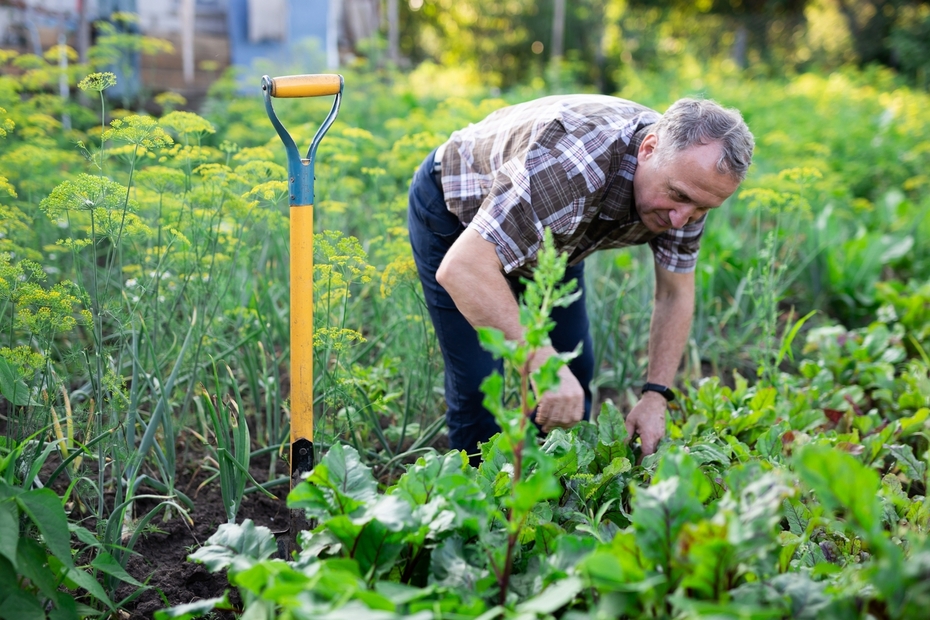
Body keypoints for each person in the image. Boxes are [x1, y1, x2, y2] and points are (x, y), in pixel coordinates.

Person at [407, 95, 754, 461]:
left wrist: (655, 395)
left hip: (558, 235)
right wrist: (541, 363)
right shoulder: (570, 164)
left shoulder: (688, 188)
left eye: (702, 208)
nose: (681, 220)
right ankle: (478, 498)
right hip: (460, 209)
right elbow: (463, 269)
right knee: (480, 379)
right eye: (679, 196)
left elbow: (674, 293)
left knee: (574, 365)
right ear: (649, 149)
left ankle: (550, 485)